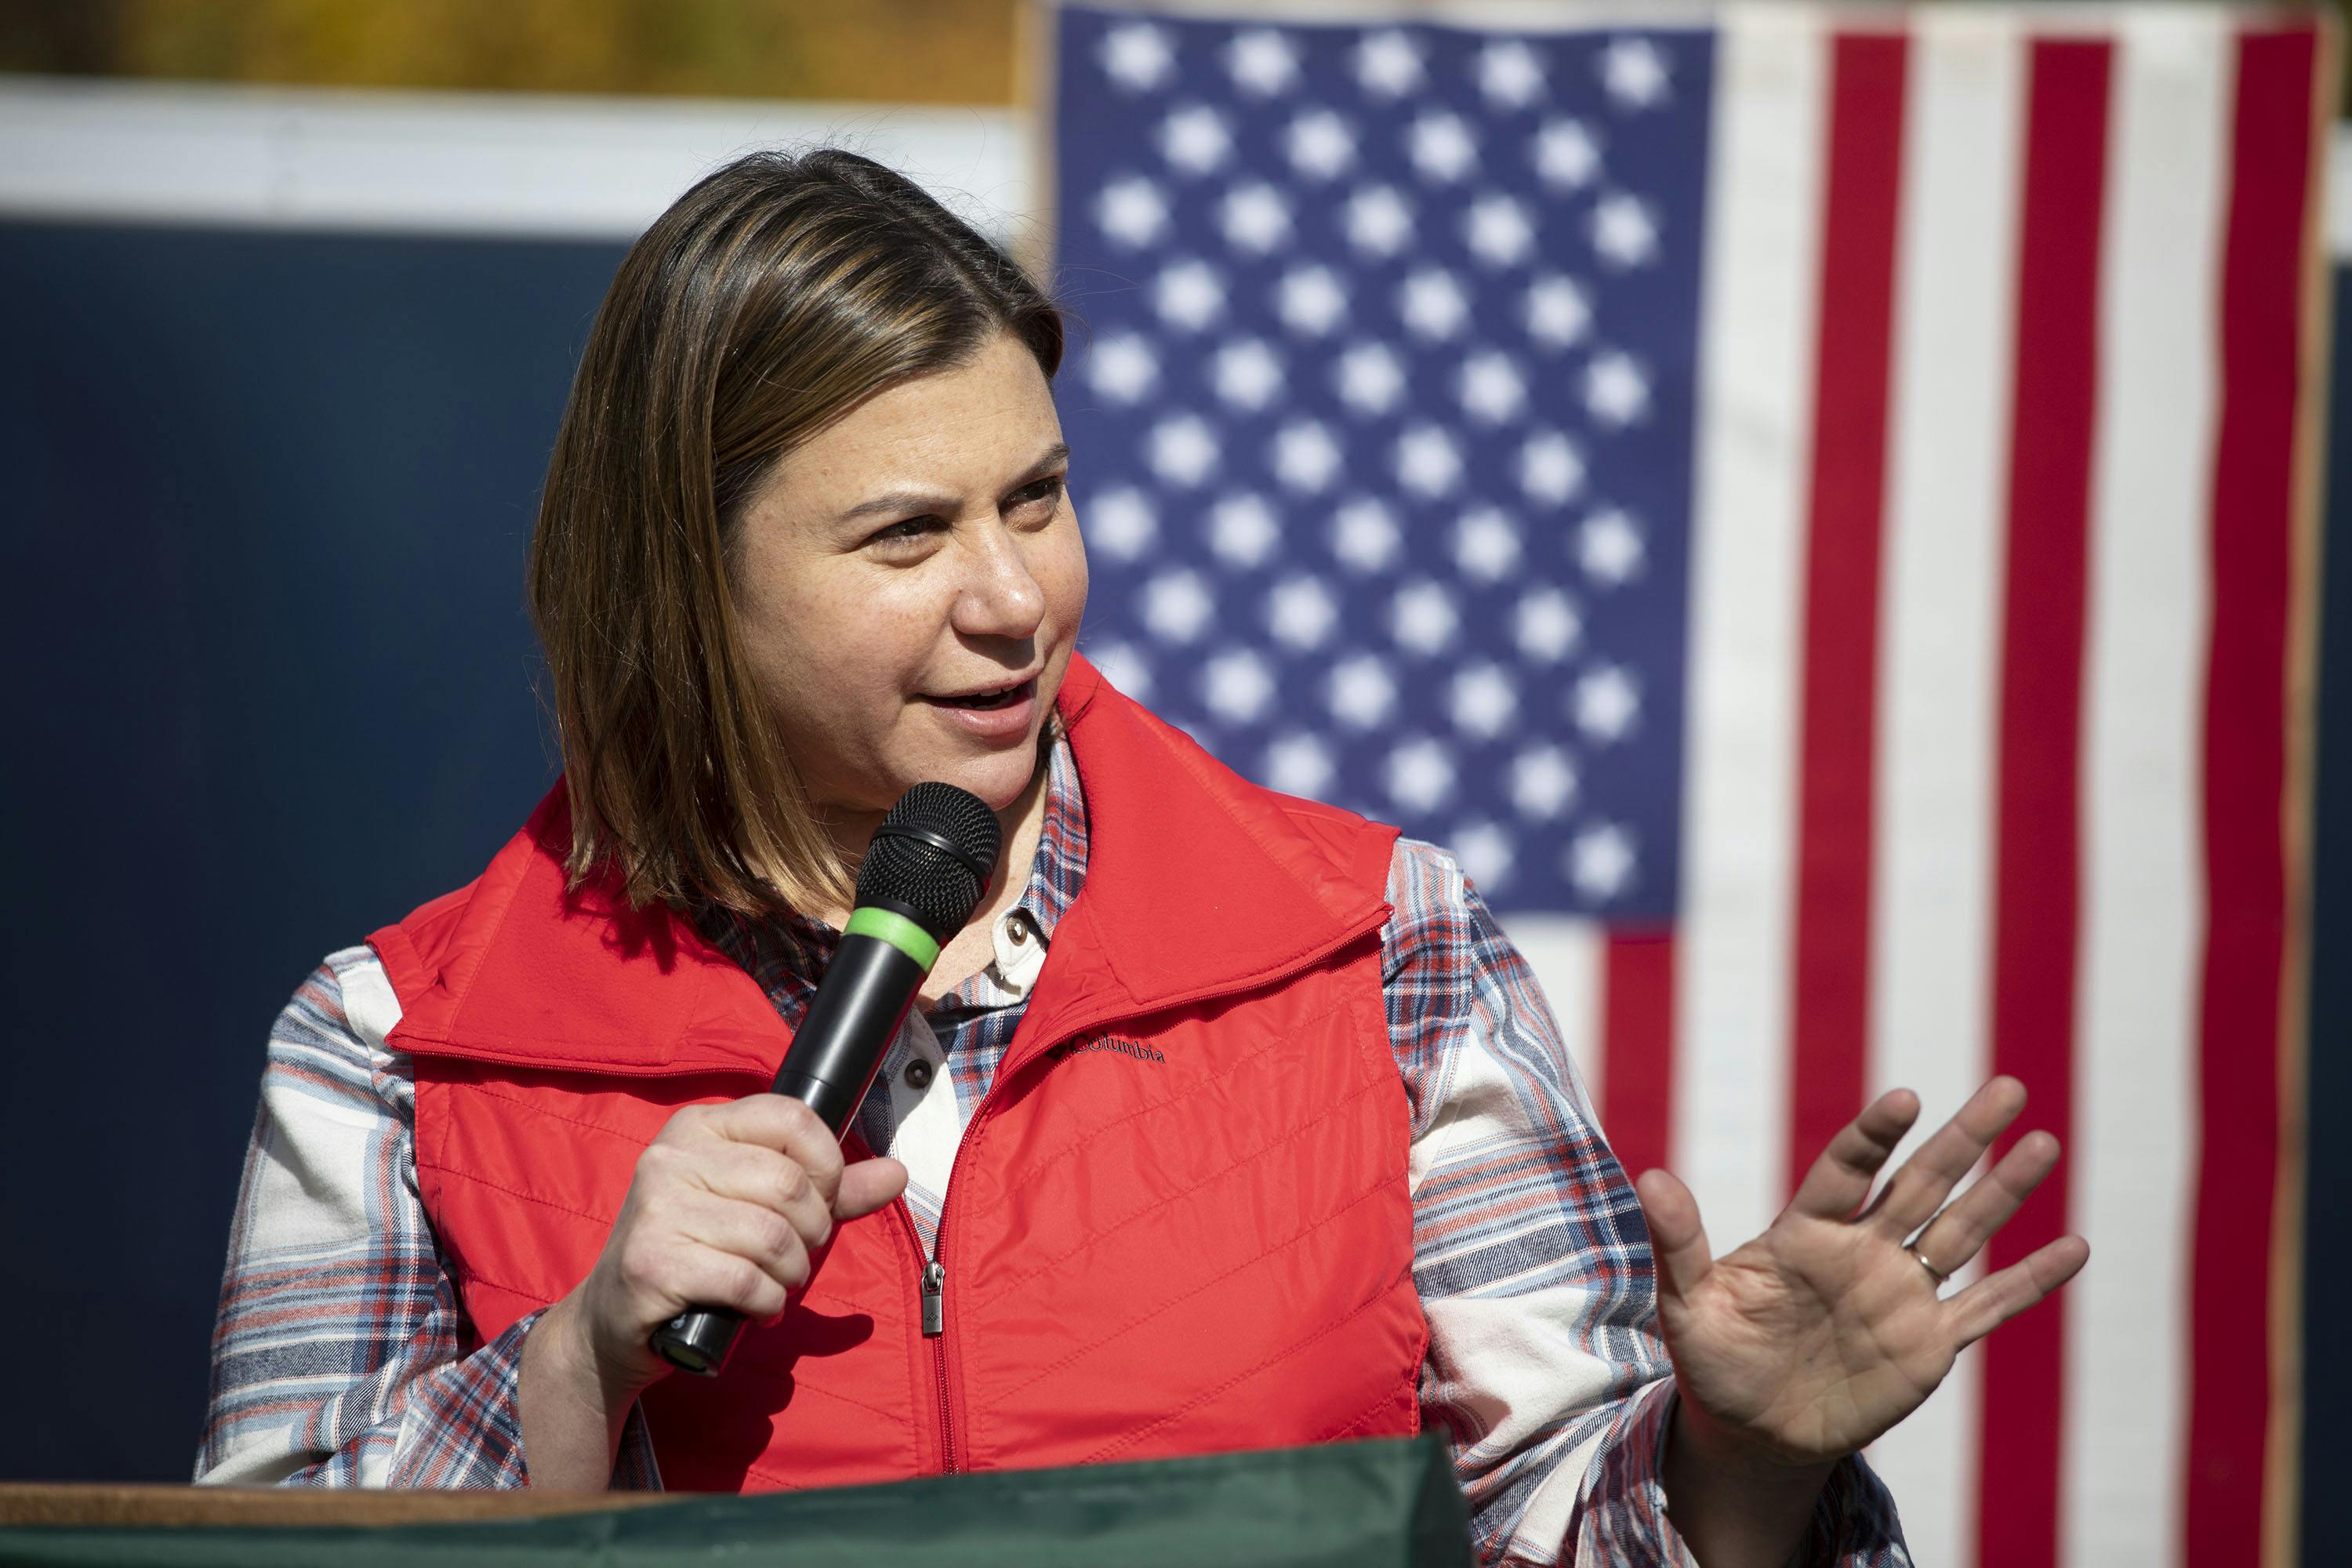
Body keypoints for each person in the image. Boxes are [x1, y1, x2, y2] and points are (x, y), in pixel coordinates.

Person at [197, 149, 2087, 1566]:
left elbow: (1550, 1536)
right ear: (688, 582)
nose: (1016, 596)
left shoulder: (1375, 944)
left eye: (1039, 494)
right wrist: (576, 1367)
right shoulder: (397, 1042)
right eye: (905, 534)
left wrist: (1735, 1466)